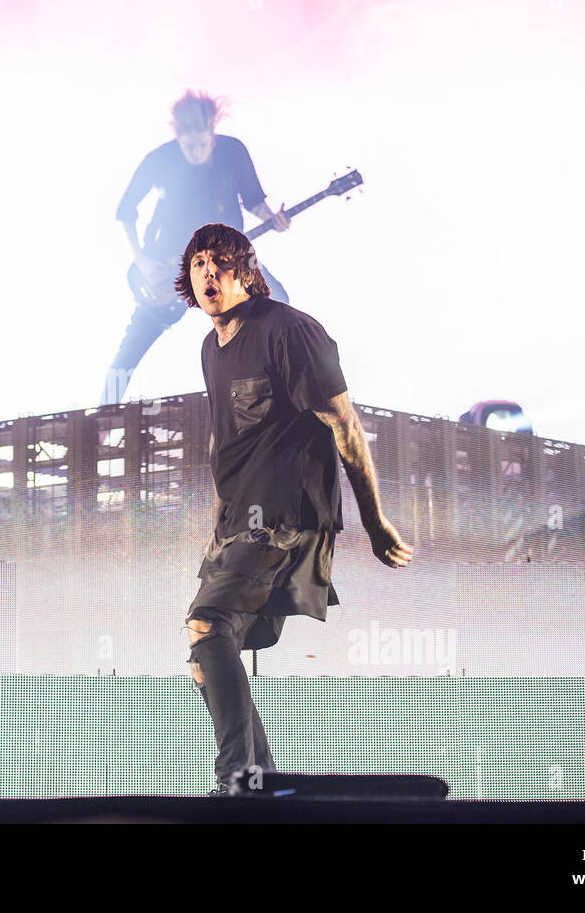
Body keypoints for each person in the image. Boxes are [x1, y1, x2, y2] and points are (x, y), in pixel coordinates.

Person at [178, 222, 413, 795]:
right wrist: (219, 527)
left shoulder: (289, 331)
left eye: (222, 263)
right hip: (239, 525)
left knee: (208, 623)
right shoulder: (212, 347)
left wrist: (374, 519)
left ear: (247, 272)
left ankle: (239, 777)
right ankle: (262, 779)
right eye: (199, 264)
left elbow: (345, 426)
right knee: (206, 656)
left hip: (285, 517)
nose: (210, 273)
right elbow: (228, 446)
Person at [101, 90, 293, 407]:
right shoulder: (160, 159)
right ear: (177, 136)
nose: (198, 151)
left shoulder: (233, 151)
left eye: (204, 143)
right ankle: (102, 415)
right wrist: (143, 262)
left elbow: (255, 201)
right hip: (169, 266)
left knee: (278, 301)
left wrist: (272, 218)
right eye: (190, 145)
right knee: (135, 342)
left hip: (229, 258)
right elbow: (125, 212)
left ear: (212, 134)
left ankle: (273, 395)